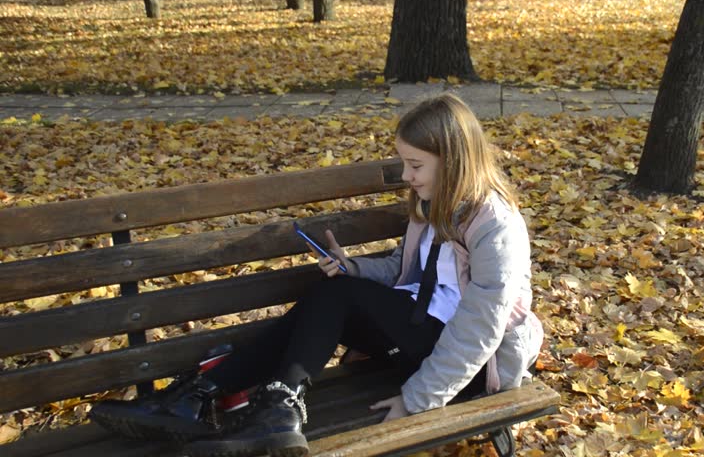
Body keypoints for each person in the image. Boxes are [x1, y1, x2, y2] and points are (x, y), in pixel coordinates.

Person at [89, 93, 543, 457]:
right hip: (424, 335)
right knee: (335, 290)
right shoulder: (434, 204)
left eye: (416, 165)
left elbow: (480, 328)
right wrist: (354, 267)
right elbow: (411, 272)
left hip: (469, 370)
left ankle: (239, 401)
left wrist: (417, 400)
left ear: (454, 160)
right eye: (405, 163)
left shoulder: (494, 225)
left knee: (339, 296)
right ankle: (211, 396)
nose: (406, 175)